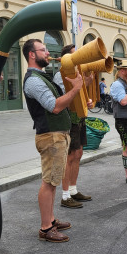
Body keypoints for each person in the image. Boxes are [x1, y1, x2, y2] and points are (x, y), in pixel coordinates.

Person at [23, 39, 83, 242]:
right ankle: (46, 228)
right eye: (43, 50)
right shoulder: (33, 80)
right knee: (49, 182)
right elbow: (54, 106)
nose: (48, 53)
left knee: (53, 180)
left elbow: (62, 103)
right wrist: (75, 89)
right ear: (32, 54)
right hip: (50, 136)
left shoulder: (41, 77)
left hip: (56, 135)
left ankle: (51, 219)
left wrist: (81, 87)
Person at [52, 44, 93, 209]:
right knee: (69, 157)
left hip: (79, 118)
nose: (80, 59)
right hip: (69, 119)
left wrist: (87, 100)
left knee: (78, 153)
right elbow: (65, 98)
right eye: (75, 56)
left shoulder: (78, 73)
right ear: (67, 59)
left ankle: (74, 190)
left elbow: (81, 96)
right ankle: (65, 195)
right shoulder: (59, 75)